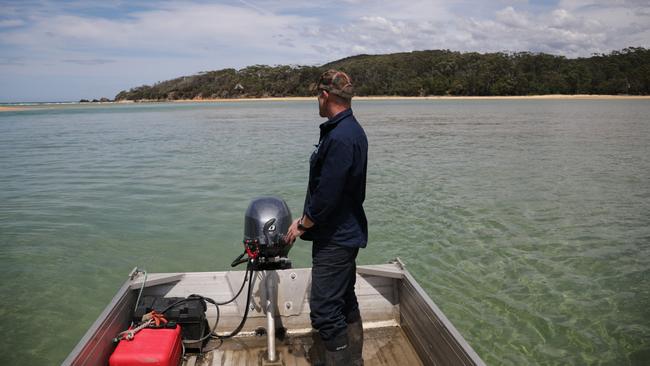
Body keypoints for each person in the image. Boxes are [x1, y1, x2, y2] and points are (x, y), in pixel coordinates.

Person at [285, 69, 368, 365]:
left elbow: (327, 195)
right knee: (344, 299)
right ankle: (354, 359)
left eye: (317, 96)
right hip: (344, 232)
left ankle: (343, 361)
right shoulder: (349, 130)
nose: (317, 102)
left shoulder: (341, 136)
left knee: (323, 309)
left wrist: (303, 223)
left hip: (335, 237)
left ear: (324, 96)